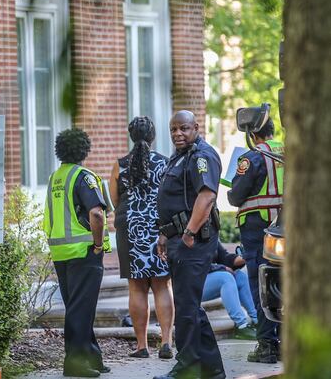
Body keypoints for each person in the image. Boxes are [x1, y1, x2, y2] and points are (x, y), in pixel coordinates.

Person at [154, 111, 225, 379]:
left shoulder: (202, 156)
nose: (177, 134)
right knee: (189, 305)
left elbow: (206, 197)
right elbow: (174, 199)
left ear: (196, 127)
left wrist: (188, 233)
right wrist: (164, 234)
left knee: (186, 306)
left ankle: (187, 366)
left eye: (184, 128)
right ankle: (212, 369)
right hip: (177, 238)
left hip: (193, 241)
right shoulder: (181, 156)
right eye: (173, 129)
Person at [43, 128, 111, 378]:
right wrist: (96, 244)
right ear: (84, 150)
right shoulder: (84, 176)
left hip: (61, 253)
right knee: (81, 309)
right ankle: (75, 362)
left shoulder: (55, 177)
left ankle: (92, 357)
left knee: (78, 307)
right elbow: (96, 213)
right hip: (84, 252)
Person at [110, 116, 175, 359]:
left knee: (136, 287)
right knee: (162, 284)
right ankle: (167, 342)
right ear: (153, 136)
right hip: (159, 229)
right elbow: (169, 196)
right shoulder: (164, 163)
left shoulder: (120, 165)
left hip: (130, 228)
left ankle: (142, 346)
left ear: (131, 136)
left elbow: (115, 200)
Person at [227, 117, 283, 363]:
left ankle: (267, 346)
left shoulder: (250, 158)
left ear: (253, 134)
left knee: (260, 286)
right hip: (288, 228)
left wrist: (230, 192)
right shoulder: (289, 152)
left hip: (258, 231)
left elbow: (236, 195)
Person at [202, 243, 258, 340]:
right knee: (226, 277)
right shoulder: (189, 234)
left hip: (205, 279)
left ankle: (257, 319)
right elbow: (195, 263)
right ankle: (241, 325)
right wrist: (222, 268)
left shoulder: (211, 230)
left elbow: (224, 257)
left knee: (240, 276)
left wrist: (244, 257)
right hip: (189, 284)